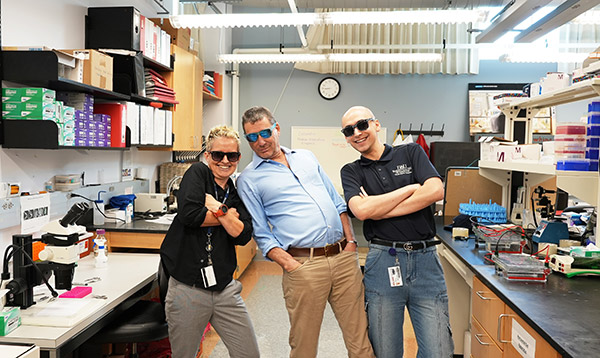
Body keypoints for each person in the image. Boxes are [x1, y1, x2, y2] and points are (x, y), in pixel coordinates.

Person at [237, 106, 374, 358]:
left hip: (343, 259)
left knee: (360, 339)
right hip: (303, 265)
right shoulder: (248, 179)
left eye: (265, 133)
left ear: (276, 129)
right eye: (252, 137)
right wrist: (291, 265)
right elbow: (260, 232)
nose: (260, 141)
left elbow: (336, 202)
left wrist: (351, 242)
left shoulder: (306, 157)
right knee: (304, 345)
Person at [340, 106, 454, 358]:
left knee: (439, 351)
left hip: (426, 262)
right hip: (383, 262)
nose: (357, 133)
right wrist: (411, 188)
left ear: (376, 124)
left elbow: (436, 191)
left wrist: (378, 208)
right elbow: (360, 211)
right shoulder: (351, 171)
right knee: (385, 351)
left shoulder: (411, 152)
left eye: (362, 125)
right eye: (349, 130)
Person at [160, 125, 260, 358]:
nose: (225, 160)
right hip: (188, 289)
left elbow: (244, 235)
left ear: (238, 158)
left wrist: (217, 209)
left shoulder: (235, 190)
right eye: (218, 155)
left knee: (249, 354)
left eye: (232, 155)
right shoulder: (197, 173)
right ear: (207, 156)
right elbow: (189, 215)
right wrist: (229, 217)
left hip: (226, 289)